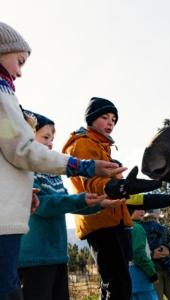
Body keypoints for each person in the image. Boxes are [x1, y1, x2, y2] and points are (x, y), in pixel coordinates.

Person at [0, 21, 136, 300]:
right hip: (29, 251)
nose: (20, 72)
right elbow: (21, 150)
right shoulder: (3, 97)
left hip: (54, 250)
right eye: (19, 61)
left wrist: (93, 203)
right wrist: (85, 168)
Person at [17, 111, 126, 300]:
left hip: (58, 255)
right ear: (28, 137)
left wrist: (100, 204)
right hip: (34, 258)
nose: (50, 143)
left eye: (52, 138)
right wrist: (81, 199)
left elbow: (67, 204)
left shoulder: (52, 174)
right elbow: (43, 205)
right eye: (45, 137)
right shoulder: (26, 171)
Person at [62, 97, 163, 300]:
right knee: (118, 287)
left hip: (114, 220)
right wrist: (116, 186)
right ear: (90, 119)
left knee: (116, 285)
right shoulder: (82, 144)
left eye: (114, 119)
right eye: (105, 117)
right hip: (99, 221)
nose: (111, 123)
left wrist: (124, 188)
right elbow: (90, 181)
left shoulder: (102, 147)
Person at [144, 209, 170, 300]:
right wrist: (152, 254)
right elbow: (137, 251)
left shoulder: (163, 229)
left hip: (169, 271)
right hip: (153, 271)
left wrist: (168, 248)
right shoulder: (140, 230)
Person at [129, 209, 159, 300]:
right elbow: (138, 254)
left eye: (143, 209)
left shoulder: (122, 227)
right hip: (140, 276)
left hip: (128, 277)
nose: (143, 212)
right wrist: (152, 274)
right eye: (138, 209)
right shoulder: (136, 227)